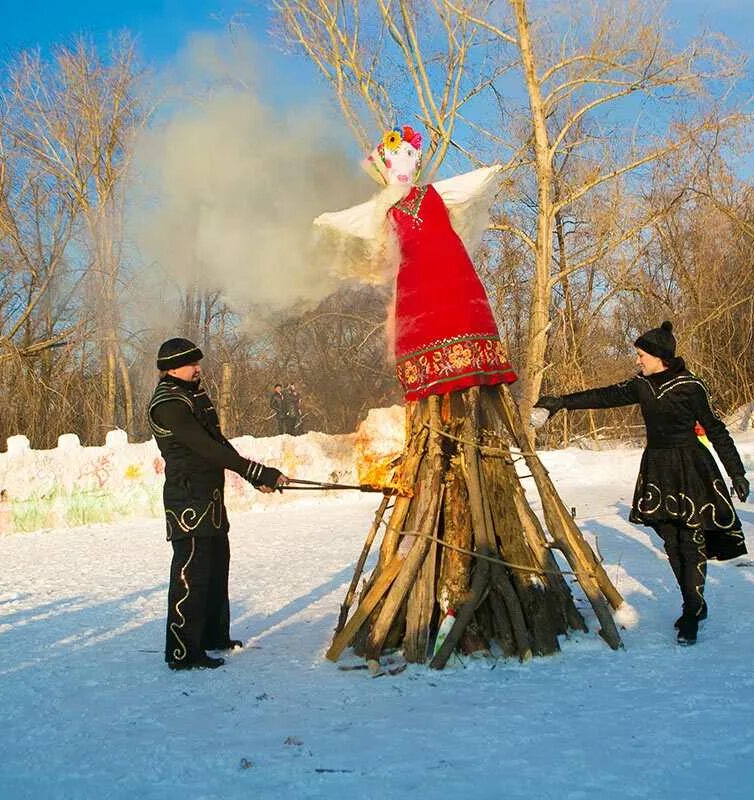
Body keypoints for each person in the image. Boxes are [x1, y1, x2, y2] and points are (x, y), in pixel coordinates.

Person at [534, 321, 750, 646]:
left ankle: (691, 611)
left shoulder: (691, 386)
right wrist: (560, 401)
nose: (637, 360)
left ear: (659, 356)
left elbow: (716, 429)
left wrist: (736, 472)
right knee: (671, 541)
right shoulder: (642, 385)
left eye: (641, 355)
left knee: (691, 540)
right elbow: (604, 396)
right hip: (658, 468)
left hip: (691, 467)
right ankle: (694, 601)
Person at [315, 124, 516, 399]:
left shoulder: (434, 192)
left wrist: (490, 172)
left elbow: (466, 185)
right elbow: (353, 219)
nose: (403, 162)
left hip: (453, 269)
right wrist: (328, 220)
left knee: (462, 317)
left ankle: (476, 369)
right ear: (384, 166)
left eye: (410, 155)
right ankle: (430, 382)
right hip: (416, 281)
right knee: (424, 329)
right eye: (396, 156)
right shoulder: (382, 211)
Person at [148, 337, 290, 671]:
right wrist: (258, 470)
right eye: (192, 364)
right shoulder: (168, 402)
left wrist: (257, 476)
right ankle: (183, 652)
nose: (198, 369)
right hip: (187, 499)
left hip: (209, 498)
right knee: (191, 575)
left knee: (214, 570)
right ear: (171, 368)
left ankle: (212, 636)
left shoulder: (191, 394)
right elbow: (205, 449)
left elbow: (218, 442)